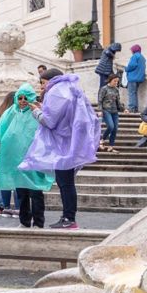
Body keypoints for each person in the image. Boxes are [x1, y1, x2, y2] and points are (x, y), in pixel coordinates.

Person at [20, 69, 99, 230]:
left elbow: (50, 121)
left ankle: (69, 218)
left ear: (50, 80)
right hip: (71, 142)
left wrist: (36, 111)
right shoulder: (69, 88)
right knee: (67, 182)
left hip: (62, 145)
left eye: (43, 83)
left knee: (65, 183)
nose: (42, 88)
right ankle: (68, 217)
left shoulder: (56, 92)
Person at [0, 83, 55, 228]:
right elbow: (1, 128)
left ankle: (39, 222)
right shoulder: (10, 112)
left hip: (34, 158)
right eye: (19, 98)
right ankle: (24, 221)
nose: (22, 101)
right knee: (21, 191)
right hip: (16, 159)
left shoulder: (36, 112)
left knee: (35, 191)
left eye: (25, 98)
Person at [98, 74, 122, 152]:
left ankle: (111, 146)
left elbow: (118, 101)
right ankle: (102, 140)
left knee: (115, 129)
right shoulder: (104, 89)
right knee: (111, 126)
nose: (116, 83)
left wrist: (123, 109)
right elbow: (100, 100)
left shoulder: (116, 90)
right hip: (106, 110)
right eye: (114, 81)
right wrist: (100, 110)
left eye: (117, 82)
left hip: (114, 111)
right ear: (110, 80)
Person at [122, 45, 146, 112]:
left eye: (131, 50)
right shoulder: (142, 57)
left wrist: (126, 69)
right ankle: (135, 108)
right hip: (139, 78)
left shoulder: (135, 56)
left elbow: (132, 65)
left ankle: (132, 108)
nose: (131, 51)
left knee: (131, 93)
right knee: (134, 93)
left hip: (133, 78)